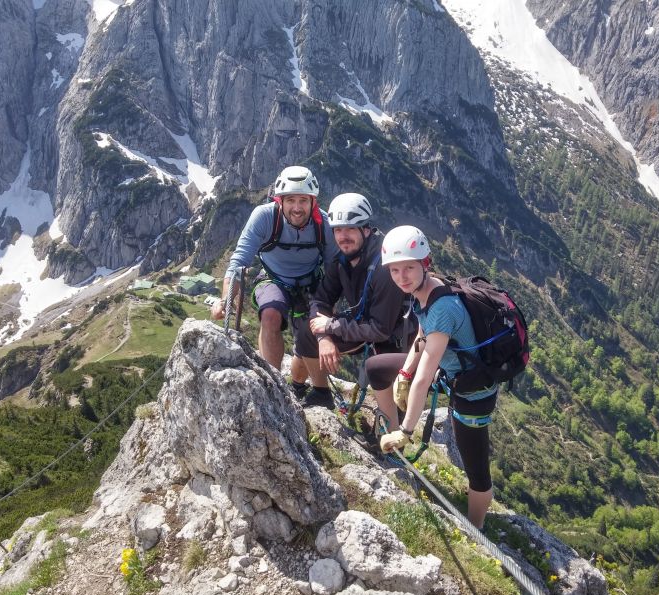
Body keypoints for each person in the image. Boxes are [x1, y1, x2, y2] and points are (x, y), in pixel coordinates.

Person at [365, 225, 498, 529]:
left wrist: (407, 431)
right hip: (452, 373)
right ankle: (387, 438)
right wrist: (403, 373)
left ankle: (476, 529)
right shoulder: (426, 290)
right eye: (395, 270)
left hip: (472, 392)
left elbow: (424, 378)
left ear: (425, 263)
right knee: (376, 367)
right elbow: (422, 338)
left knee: (477, 471)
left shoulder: (443, 307)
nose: (402, 277)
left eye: (409, 268)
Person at [212, 166, 338, 395]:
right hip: (273, 279)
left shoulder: (324, 225)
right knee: (270, 314)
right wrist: (225, 300)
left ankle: (304, 387)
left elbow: (333, 269)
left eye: (303, 200)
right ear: (280, 201)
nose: (297, 208)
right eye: (290, 200)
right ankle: (272, 389)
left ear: (313, 202)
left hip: (311, 284)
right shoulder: (264, 217)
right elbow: (239, 262)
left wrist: (329, 309)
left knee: (308, 339)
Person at [293, 193, 417, 407]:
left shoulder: (385, 267)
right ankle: (320, 393)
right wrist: (324, 337)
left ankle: (393, 426)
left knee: (394, 399)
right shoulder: (341, 260)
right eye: (338, 230)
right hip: (362, 322)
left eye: (350, 229)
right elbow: (320, 300)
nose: (343, 237)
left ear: (366, 230)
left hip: (395, 334)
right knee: (307, 331)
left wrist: (332, 325)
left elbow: (380, 330)